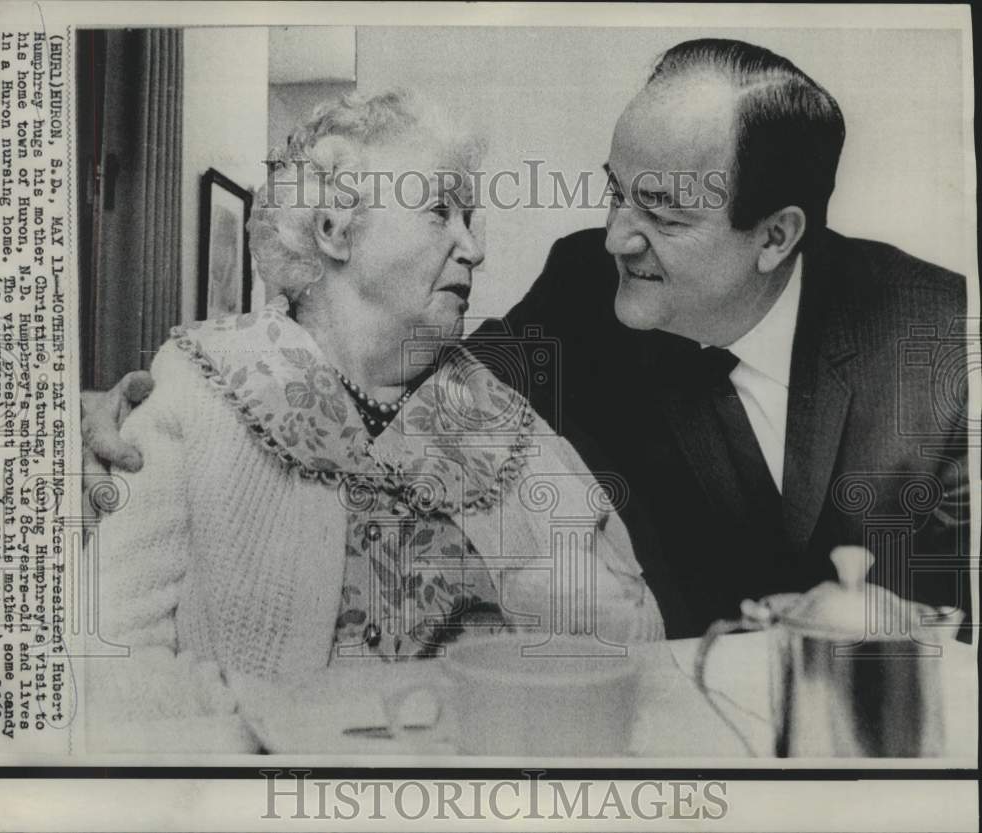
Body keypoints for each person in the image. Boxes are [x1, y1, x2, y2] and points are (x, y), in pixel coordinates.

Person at [87, 39, 972, 641]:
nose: (619, 235)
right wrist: (139, 407)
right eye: (615, 191)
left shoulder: (938, 337)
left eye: (660, 213)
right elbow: (402, 380)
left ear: (775, 237)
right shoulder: (590, 284)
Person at [85, 90, 665, 749]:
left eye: (470, 218)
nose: (473, 249)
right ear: (335, 229)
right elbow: (101, 657)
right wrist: (270, 724)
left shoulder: (494, 411)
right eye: (439, 211)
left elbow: (638, 638)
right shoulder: (205, 385)